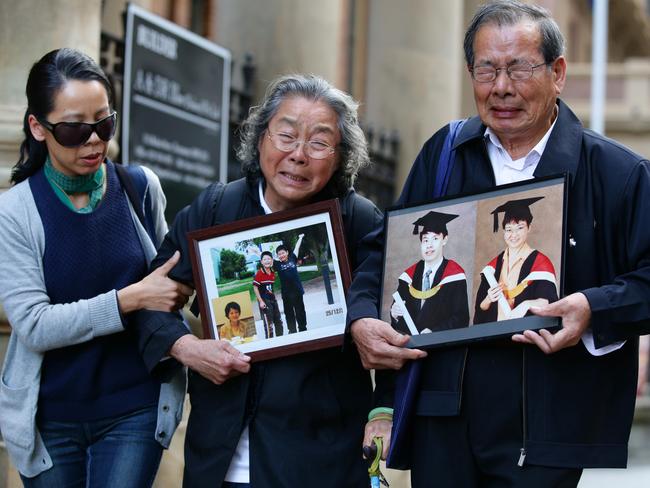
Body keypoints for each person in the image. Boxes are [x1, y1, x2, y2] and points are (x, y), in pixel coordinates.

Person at [364, 2, 650, 487]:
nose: (501, 87)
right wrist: (360, 320)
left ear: (558, 73)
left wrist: (592, 307)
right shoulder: (445, 154)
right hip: (443, 414)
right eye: (486, 69)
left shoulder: (618, 173)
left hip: (545, 422)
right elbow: (383, 255)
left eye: (519, 67)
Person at [129, 74, 409, 487]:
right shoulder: (216, 209)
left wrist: (383, 410)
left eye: (318, 142)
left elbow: (395, 327)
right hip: (217, 452)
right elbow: (149, 300)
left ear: (339, 156)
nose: (298, 155)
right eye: (286, 135)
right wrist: (187, 347)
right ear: (260, 139)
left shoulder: (358, 221)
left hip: (320, 458)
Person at [0, 48, 192, 486]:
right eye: (73, 129)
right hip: (51, 418)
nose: (93, 141)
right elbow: (34, 325)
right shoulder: (15, 213)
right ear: (37, 126)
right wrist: (130, 299)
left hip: (135, 408)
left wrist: (178, 290)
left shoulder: (140, 188)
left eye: (104, 124)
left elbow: (163, 288)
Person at [474, 197, 558, 323]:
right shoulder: (492, 267)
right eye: (509, 229)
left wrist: (525, 305)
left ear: (529, 228)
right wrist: (488, 299)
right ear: (503, 231)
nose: (513, 235)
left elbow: (549, 302)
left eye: (520, 228)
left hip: (526, 334)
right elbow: (480, 309)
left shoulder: (541, 263)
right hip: (495, 336)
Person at [390, 210, 469, 334]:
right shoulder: (408, 277)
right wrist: (394, 315)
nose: (429, 245)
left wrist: (435, 332)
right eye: (425, 240)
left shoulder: (455, 276)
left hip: (441, 348)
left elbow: (461, 318)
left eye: (435, 239)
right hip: (408, 347)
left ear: (444, 240)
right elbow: (398, 322)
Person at [273, 234, 307, 333]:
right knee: (289, 313)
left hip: (297, 291)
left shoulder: (293, 258)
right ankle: (292, 330)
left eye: (283, 253)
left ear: (287, 253)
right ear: (277, 255)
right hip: (286, 294)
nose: (281, 255)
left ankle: (303, 328)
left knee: (300, 311)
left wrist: (300, 238)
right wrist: (257, 252)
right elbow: (265, 258)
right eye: (279, 254)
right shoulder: (277, 264)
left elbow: (297, 247)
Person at [252, 251, 284, 338]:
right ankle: (271, 343)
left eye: (269, 259)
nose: (267, 261)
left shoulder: (272, 272)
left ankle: (281, 341)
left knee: (279, 321)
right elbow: (255, 288)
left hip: (272, 300)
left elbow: (270, 288)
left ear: (272, 260)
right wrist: (261, 301)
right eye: (264, 259)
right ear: (261, 262)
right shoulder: (259, 273)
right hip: (264, 300)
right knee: (269, 324)